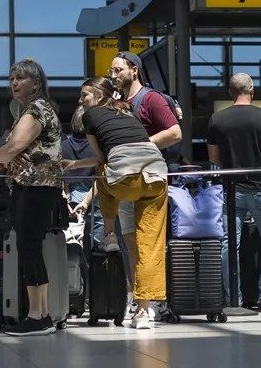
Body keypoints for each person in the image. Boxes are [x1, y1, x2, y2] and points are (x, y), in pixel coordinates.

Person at [63, 78, 167, 330]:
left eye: (84, 95)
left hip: (124, 180)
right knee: (150, 246)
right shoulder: (126, 110)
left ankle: (109, 233)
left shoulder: (89, 116)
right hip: (156, 177)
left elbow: (100, 158)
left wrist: (75, 164)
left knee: (103, 171)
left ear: (99, 97)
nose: (80, 100)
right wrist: (75, 164)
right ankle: (143, 312)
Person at [0, 60, 65, 337]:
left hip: (36, 185)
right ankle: (42, 313)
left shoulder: (35, 109)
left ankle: (37, 316)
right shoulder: (38, 108)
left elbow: (14, 145)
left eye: (20, 77)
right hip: (38, 186)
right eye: (12, 77)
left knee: (28, 246)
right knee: (30, 245)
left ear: (35, 83)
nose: (14, 82)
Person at [208, 73, 261, 311]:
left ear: (230, 92)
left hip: (231, 189)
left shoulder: (217, 119)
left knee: (227, 243)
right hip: (260, 188)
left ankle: (233, 297)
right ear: (252, 91)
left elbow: (214, 157)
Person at [108, 51, 181, 315]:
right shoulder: (115, 102)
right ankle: (137, 294)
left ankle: (148, 302)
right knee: (130, 241)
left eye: (118, 70)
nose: (113, 75)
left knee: (148, 240)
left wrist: (141, 146)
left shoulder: (151, 99)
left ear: (134, 70)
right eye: (111, 71)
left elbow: (175, 132)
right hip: (126, 179)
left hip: (150, 177)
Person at [61, 106, 103, 245]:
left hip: (71, 196)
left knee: (74, 239)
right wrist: (86, 201)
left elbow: (59, 178)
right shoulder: (98, 147)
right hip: (94, 195)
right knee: (97, 237)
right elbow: (100, 176)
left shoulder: (63, 145)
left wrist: (65, 200)